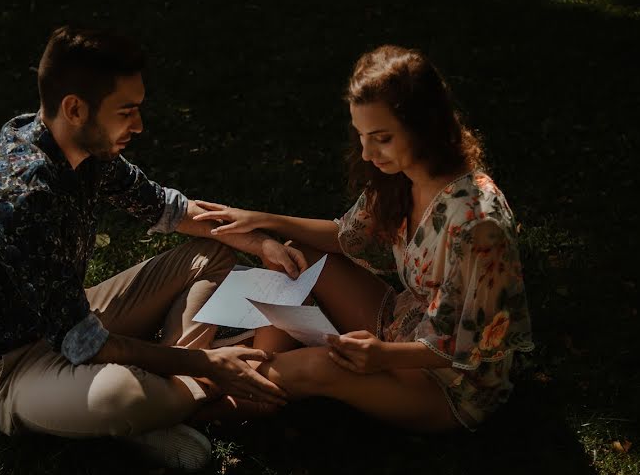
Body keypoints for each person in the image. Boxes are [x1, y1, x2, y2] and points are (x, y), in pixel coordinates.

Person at [0, 26, 307, 471]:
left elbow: (167, 208)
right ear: (75, 109)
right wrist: (209, 364)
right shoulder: (23, 196)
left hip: (71, 318)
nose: (139, 125)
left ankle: (172, 392)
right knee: (123, 396)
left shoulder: (79, 148)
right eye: (127, 111)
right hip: (12, 368)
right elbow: (85, 344)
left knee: (209, 254)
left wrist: (262, 242)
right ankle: (166, 400)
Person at [192, 44, 534, 431]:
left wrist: (382, 356)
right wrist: (263, 220)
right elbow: (345, 236)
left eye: (382, 138)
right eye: (362, 136)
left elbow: (470, 347)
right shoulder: (402, 176)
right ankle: (257, 367)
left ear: (426, 125)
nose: (368, 154)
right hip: (403, 327)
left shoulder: (477, 224)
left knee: (320, 364)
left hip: (451, 384)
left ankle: (182, 402)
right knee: (295, 255)